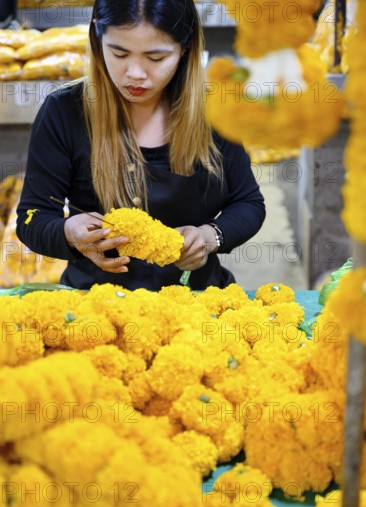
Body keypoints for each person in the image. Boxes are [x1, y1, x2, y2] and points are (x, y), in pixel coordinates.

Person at [16, 0, 266, 291]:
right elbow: (32, 218)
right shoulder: (64, 111)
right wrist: (68, 232)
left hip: (195, 297)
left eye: (156, 58)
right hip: (95, 302)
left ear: (185, 48)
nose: (135, 73)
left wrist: (211, 236)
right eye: (119, 53)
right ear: (98, 39)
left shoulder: (214, 110)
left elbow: (249, 202)